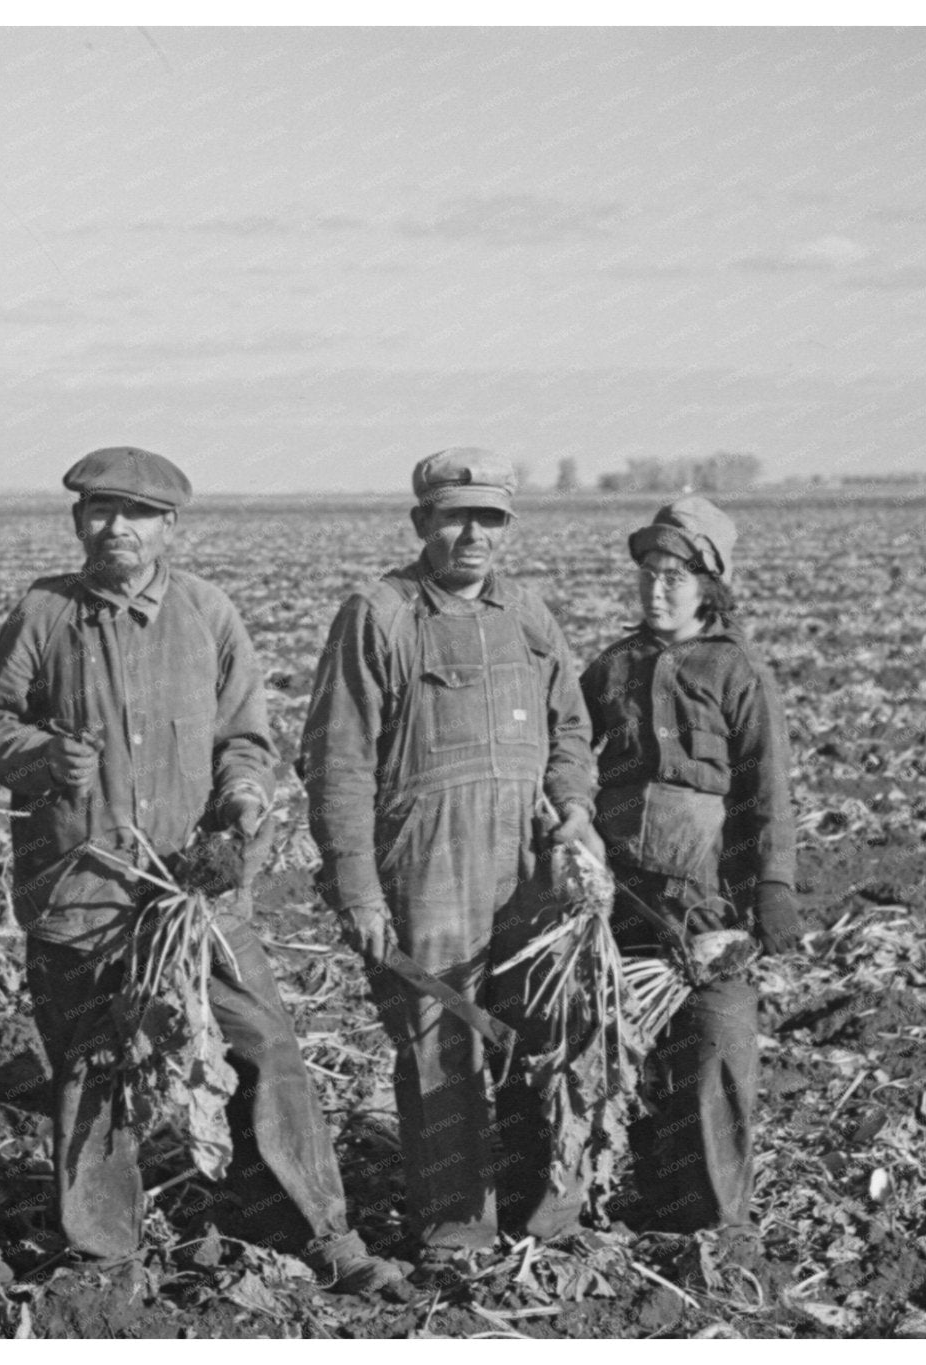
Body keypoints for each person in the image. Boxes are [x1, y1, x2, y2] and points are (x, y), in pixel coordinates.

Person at [0, 446, 408, 1300]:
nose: (117, 527)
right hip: (83, 892)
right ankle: (104, 1257)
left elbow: (246, 739)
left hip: (195, 895)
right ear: (79, 521)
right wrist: (43, 755)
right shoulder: (44, 614)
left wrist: (243, 798)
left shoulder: (208, 613)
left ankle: (315, 1230)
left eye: (138, 513)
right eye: (101, 510)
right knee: (93, 1069)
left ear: (169, 526)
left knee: (264, 1046)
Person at [300, 448, 602, 1272]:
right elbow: (338, 763)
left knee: (546, 1030)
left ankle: (548, 1218)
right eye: (455, 517)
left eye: (490, 518)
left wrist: (573, 805)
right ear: (421, 522)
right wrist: (358, 890)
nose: (474, 535)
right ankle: (456, 1231)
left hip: (530, 865)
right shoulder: (380, 615)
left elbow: (571, 730)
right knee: (442, 1044)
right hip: (428, 866)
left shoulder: (529, 614)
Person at [577, 495, 803, 1234]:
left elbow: (767, 787)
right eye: (648, 573)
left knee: (715, 1046)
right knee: (632, 1050)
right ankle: (646, 1200)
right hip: (621, 899)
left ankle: (715, 1223)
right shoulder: (612, 667)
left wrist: (771, 885)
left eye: (675, 575)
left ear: (709, 583)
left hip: (709, 900)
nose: (657, 589)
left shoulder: (737, 671)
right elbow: (569, 759)